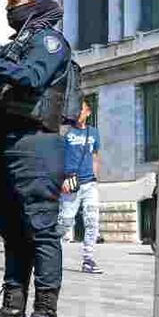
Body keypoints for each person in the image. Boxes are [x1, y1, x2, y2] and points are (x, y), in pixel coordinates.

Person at [0, 0, 72, 317]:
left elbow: (33, 77)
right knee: (12, 231)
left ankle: (46, 311)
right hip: (5, 142)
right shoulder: (14, 46)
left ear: (37, 4)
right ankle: (13, 306)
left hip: (36, 143)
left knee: (41, 229)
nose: (10, 7)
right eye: (8, 2)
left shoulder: (49, 42)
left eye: (17, 0)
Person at [58, 99, 103, 274]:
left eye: (81, 110)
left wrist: (95, 178)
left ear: (88, 112)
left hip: (89, 184)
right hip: (71, 183)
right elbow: (58, 157)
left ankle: (88, 259)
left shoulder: (94, 133)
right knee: (65, 222)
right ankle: (52, 256)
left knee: (92, 222)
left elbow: (96, 155)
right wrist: (62, 179)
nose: (78, 113)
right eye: (76, 110)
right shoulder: (66, 132)